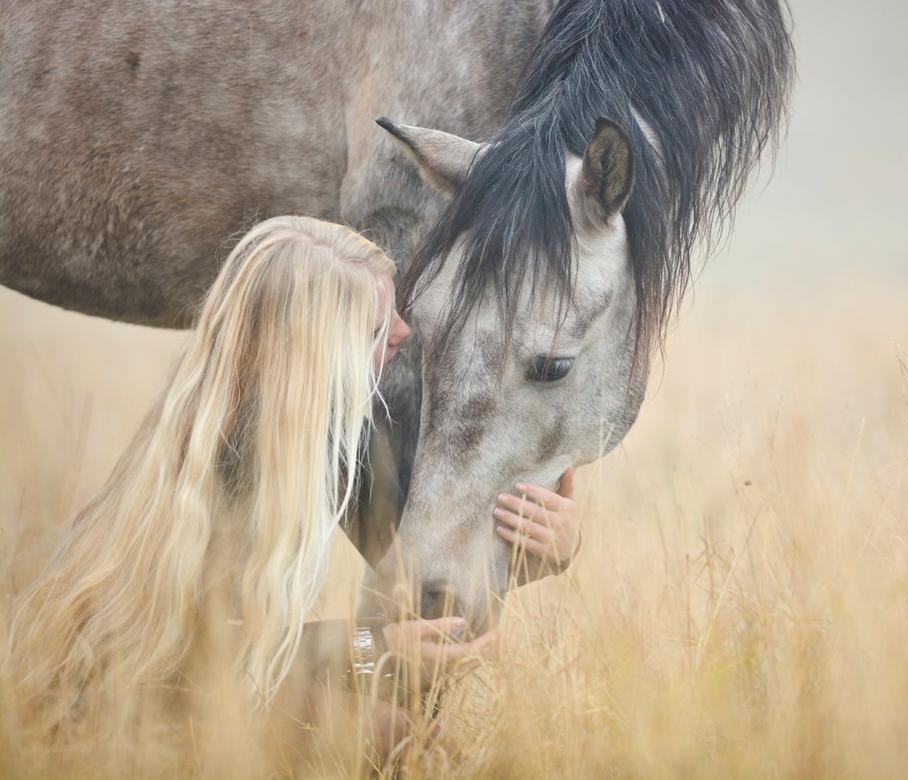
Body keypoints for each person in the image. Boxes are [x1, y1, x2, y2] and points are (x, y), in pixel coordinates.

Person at [3, 216, 580, 762]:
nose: (406, 331)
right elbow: (196, 661)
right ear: (315, 350)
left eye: (397, 309)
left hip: (222, 691)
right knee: (397, 737)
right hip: (132, 706)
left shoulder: (334, 433)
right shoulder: (236, 456)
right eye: (378, 327)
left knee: (403, 724)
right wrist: (372, 651)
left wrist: (548, 548)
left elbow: (421, 575)